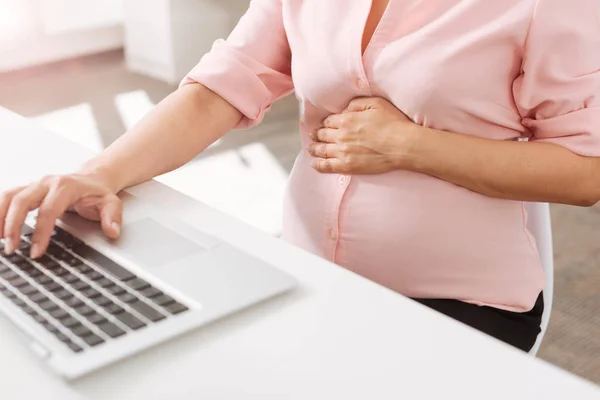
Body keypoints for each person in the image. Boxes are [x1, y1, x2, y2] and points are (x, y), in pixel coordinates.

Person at [1, 0, 599, 352]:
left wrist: (413, 146)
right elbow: (223, 87)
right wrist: (100, 173)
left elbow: (585, 171)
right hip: (306, 269)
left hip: (460, 303)